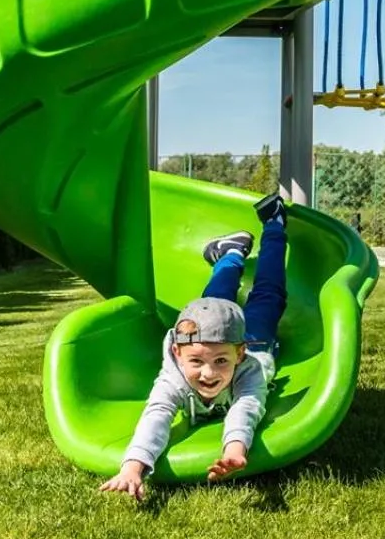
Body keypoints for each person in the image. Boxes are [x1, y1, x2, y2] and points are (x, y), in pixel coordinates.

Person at [100, 192, 289, 502]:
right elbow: (157, 415)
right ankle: (230, 253)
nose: (208, 373)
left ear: (237, 356)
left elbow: (247, 407)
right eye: (197, 361)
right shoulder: (173, 377)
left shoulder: (247, 370)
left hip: (255, 342)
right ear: (178, 353)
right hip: (225, 335)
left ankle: (275, 224)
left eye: (220, 362)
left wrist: (235, 449)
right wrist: (133, 468)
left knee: (268, 294)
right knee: (214, 299)